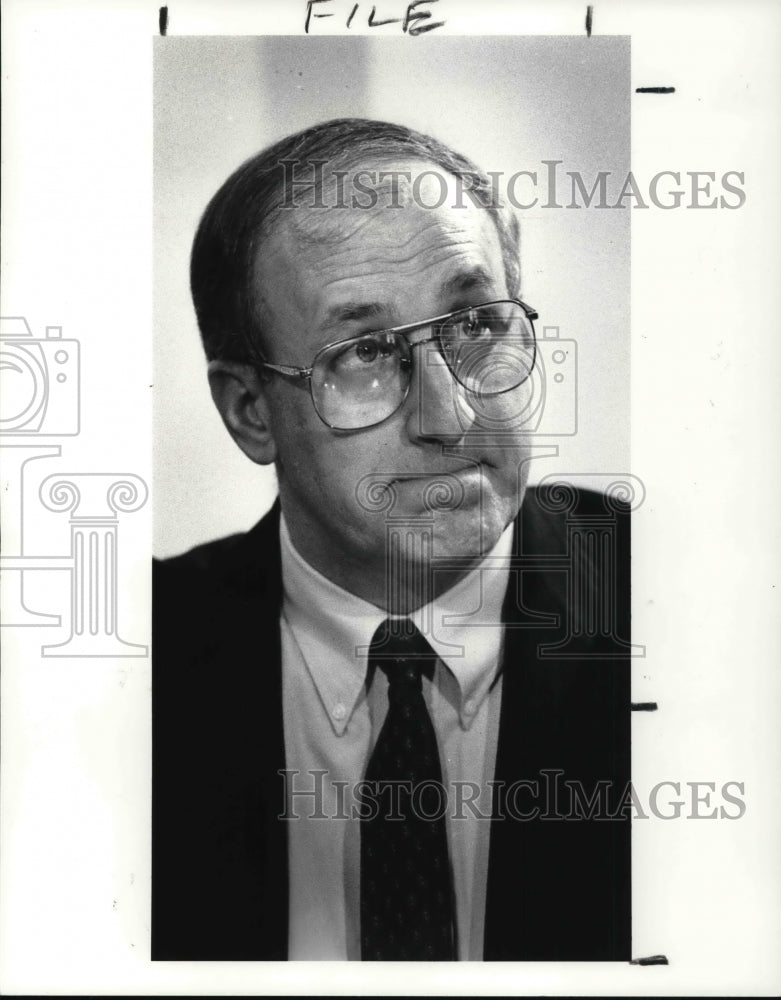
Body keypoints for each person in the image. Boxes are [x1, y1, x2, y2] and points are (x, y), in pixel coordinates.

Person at [152, 118, 631, 962]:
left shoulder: (682, 599)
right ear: (249, 410)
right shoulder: (133, 662)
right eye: (363, 352)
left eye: (477, 323)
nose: (450, 417)